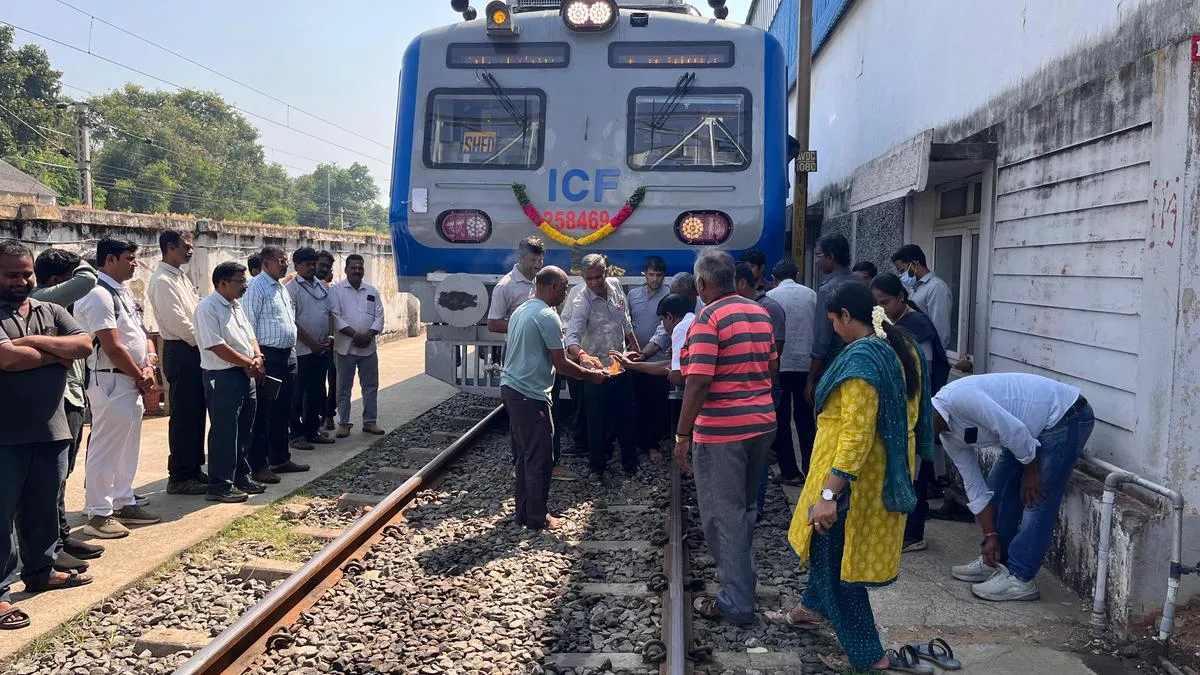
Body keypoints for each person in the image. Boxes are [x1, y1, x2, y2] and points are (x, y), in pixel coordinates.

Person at [767, 282, 932, 674]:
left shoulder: (862, 365)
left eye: (833, 322)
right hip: (881, 472)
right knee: (828, 557)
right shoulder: (899, 344)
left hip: (851, 483)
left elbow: (856, 435)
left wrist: (829, 493)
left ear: (845, 315)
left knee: (836, 564)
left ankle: (870, 656)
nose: (834, 331)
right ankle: (810, 609)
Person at [674, 248, 777, 624]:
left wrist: (682, 435)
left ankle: (736, 601)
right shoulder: (759, 312)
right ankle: (742, 580)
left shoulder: (709, 318)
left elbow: (698, 381)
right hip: (761, 424)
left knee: (723, 515)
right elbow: (771, 367)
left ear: (702, 283)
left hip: (722, 433)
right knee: (745, 509)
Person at [0, 240, 97, 631]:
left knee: (43, 507)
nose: (22, 281)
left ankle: (40, 571)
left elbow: (85, 345)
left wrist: (33, 342)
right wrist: (58, 352)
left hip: (51, 427)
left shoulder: (51, 309)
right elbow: (6, 358)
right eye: (11, 275)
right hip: (5, 435)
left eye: (27, 273)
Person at [936, 373, 1093, 602]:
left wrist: (1031, 472)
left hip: (1064, 416)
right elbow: (975, 487)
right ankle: (995, 561)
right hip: (1027, 430)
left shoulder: (959, 399)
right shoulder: (947, 437)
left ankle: (1021, 578)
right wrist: (990, 535)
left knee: (1036, 497)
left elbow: (1013, 431)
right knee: (998, 485)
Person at [502, 266, 607, 530]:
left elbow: (554, 354)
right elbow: (560, 363)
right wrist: (590, 375)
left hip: (513, 389)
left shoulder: (523, 310)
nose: (564, 295)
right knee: (541, 457)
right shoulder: (547, 315)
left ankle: (524, 513)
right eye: (562, 289)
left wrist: (583, 357)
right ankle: (538, 517)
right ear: (551, 287)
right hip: (530, 394)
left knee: (525, 455)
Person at [74, 238, 162, 538]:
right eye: (129, 257)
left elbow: (142, 334)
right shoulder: (99, 295)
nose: (135, 262)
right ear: (110, 260)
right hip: (111, 379)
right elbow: (111, 345)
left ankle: (123, 499)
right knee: (106, 448)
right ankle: (98, 512)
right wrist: (140, 373)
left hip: (130, 379)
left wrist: (149, 364)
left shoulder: (122, 293)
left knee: (127, 446)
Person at [30, 250, 105, 568]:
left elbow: (81, 346)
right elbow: (88, 279)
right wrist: (86, 261)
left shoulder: (54, 308)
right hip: (58, 398)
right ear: (55, 280)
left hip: (72, 394)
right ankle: (49, 547)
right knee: (51, 477)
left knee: (63, 474)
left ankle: (60, 535)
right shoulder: (43, 297)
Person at [872, 272, 950, 553]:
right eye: (876, 304)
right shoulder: (889, 323)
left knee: (915, 472)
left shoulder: (917, 325)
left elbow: (923, 371)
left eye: (886, 302)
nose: (881, 308)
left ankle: (914, 533)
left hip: (917, 407)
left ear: (901, 299)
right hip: (897, 407)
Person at [195, 262, 267, 503]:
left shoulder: (236, 306)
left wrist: (257, 357)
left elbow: (250, 335)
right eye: (240, 281)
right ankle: (220, 484)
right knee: (225, 431)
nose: (245, 285)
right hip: (223, 376)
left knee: (244, 428)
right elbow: (216, 346)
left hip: (244, 374)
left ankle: (240, 475)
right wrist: (248, 362)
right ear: (223, 283)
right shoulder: (208, 308)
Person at [565, 254, 641, 482]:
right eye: (588, 279)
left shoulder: (616, 287)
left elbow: (625, 320)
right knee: (596, 421)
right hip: (596, 371)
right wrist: (583, 356)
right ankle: (597, 466)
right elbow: (572, 337)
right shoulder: (581, 301)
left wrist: (636, 348)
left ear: (606, 272)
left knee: (627, 417)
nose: (594, 283)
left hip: (620, 365)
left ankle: (631, 464)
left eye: (598, 277)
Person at [146, 229, 209, 495]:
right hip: (181, 349)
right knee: (183, 413)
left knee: (196, 411)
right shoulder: (162, 280)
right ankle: (180, 475)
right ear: (170, 247)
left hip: (194, 348)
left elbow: (195, 312)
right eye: (185, 246)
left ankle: (194, 468)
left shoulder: (179, 276)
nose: (190, 251)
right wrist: (208, 341)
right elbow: (179, 324)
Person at [243, 245, 309, 484]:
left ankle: (280, 457)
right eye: (281, 261)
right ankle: (259, 464)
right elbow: (248, 325)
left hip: (287, 355)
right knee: (264, 412)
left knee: (283, 409)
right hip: (268, 356)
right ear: (266, 263)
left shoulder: (280, 288)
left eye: (286, 260)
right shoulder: (256, 288)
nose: (285, 264)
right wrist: (256, 356)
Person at [766, 259, 817, 483]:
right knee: (806, 420)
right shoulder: (811, 294)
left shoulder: (771, 298)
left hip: (781, 365)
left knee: (782, 418)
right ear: (796, 274)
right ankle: (811, 469)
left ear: (774, 278)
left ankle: (790, 472)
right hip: (807, 365)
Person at [330, 254, 386, 438]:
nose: (357, 271)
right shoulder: (336, 291)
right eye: (353, 268)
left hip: (368, 348)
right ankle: (344, 423)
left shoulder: (372, 291)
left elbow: (379, 316)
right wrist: (355, 335)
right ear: (346, 270)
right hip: (345, 348)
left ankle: (370, 422)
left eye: (360, 268)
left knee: (370, 386)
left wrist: (368, 335)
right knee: (343, 387)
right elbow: (335, 317)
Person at [287, 248, 336, 451]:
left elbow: (330, 313)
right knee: (297, 395)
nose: (311, 268)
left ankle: (312, 431)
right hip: (302, 352)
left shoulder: (322, 287)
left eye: (313, 264)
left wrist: (330, 337)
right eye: (307, 264)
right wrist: (312, 344)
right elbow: (292, 322)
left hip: (322, 349)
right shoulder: (291, 289)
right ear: (297, 266)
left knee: (316, 393)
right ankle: (296, 435)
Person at [806, 233, 863, 405]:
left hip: (833, 365)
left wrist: (810, 380)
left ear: (831, 257)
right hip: (860, 360)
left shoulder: (828, 289)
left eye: (818, 255)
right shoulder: (861, 283)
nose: (816, 261)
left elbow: (822, 341)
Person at [626, 256, 670, 458]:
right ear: (645, 274)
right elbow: (627, 324)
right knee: (636, 402)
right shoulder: (633, 295)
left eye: (659, 275)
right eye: (651, 274)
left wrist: (645, 353)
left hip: (658, 361)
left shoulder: (669, 296)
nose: (655, 279)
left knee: (656, 404)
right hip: (635, 359)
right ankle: (636, 443)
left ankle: (653, 445)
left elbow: (664, 332)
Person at [892, 244, 953, 351]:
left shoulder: (936, 288)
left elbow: (940, 330)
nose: (901, 275)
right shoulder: (915, 288)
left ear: (914, 264)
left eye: (902, 270)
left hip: (929, 354)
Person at [487, 236, 543, 335]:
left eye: (540, 260)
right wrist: (527, 326)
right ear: (521, 258)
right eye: (533, 260)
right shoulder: (505, 286)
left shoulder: (543, 280)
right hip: (518, 347)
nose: (537, 265)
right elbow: (493, 324)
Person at [316, 251, 338, 431]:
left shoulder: (329, 289)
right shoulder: (295, 286)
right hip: (307, 346)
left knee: (333, 380)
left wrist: (330, 337)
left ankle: (329, 414)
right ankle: (316, 417)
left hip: (330, 343)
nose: (324, 269)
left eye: (327, 267)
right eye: (321, 265)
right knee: (314, 384)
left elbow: (332, 314)